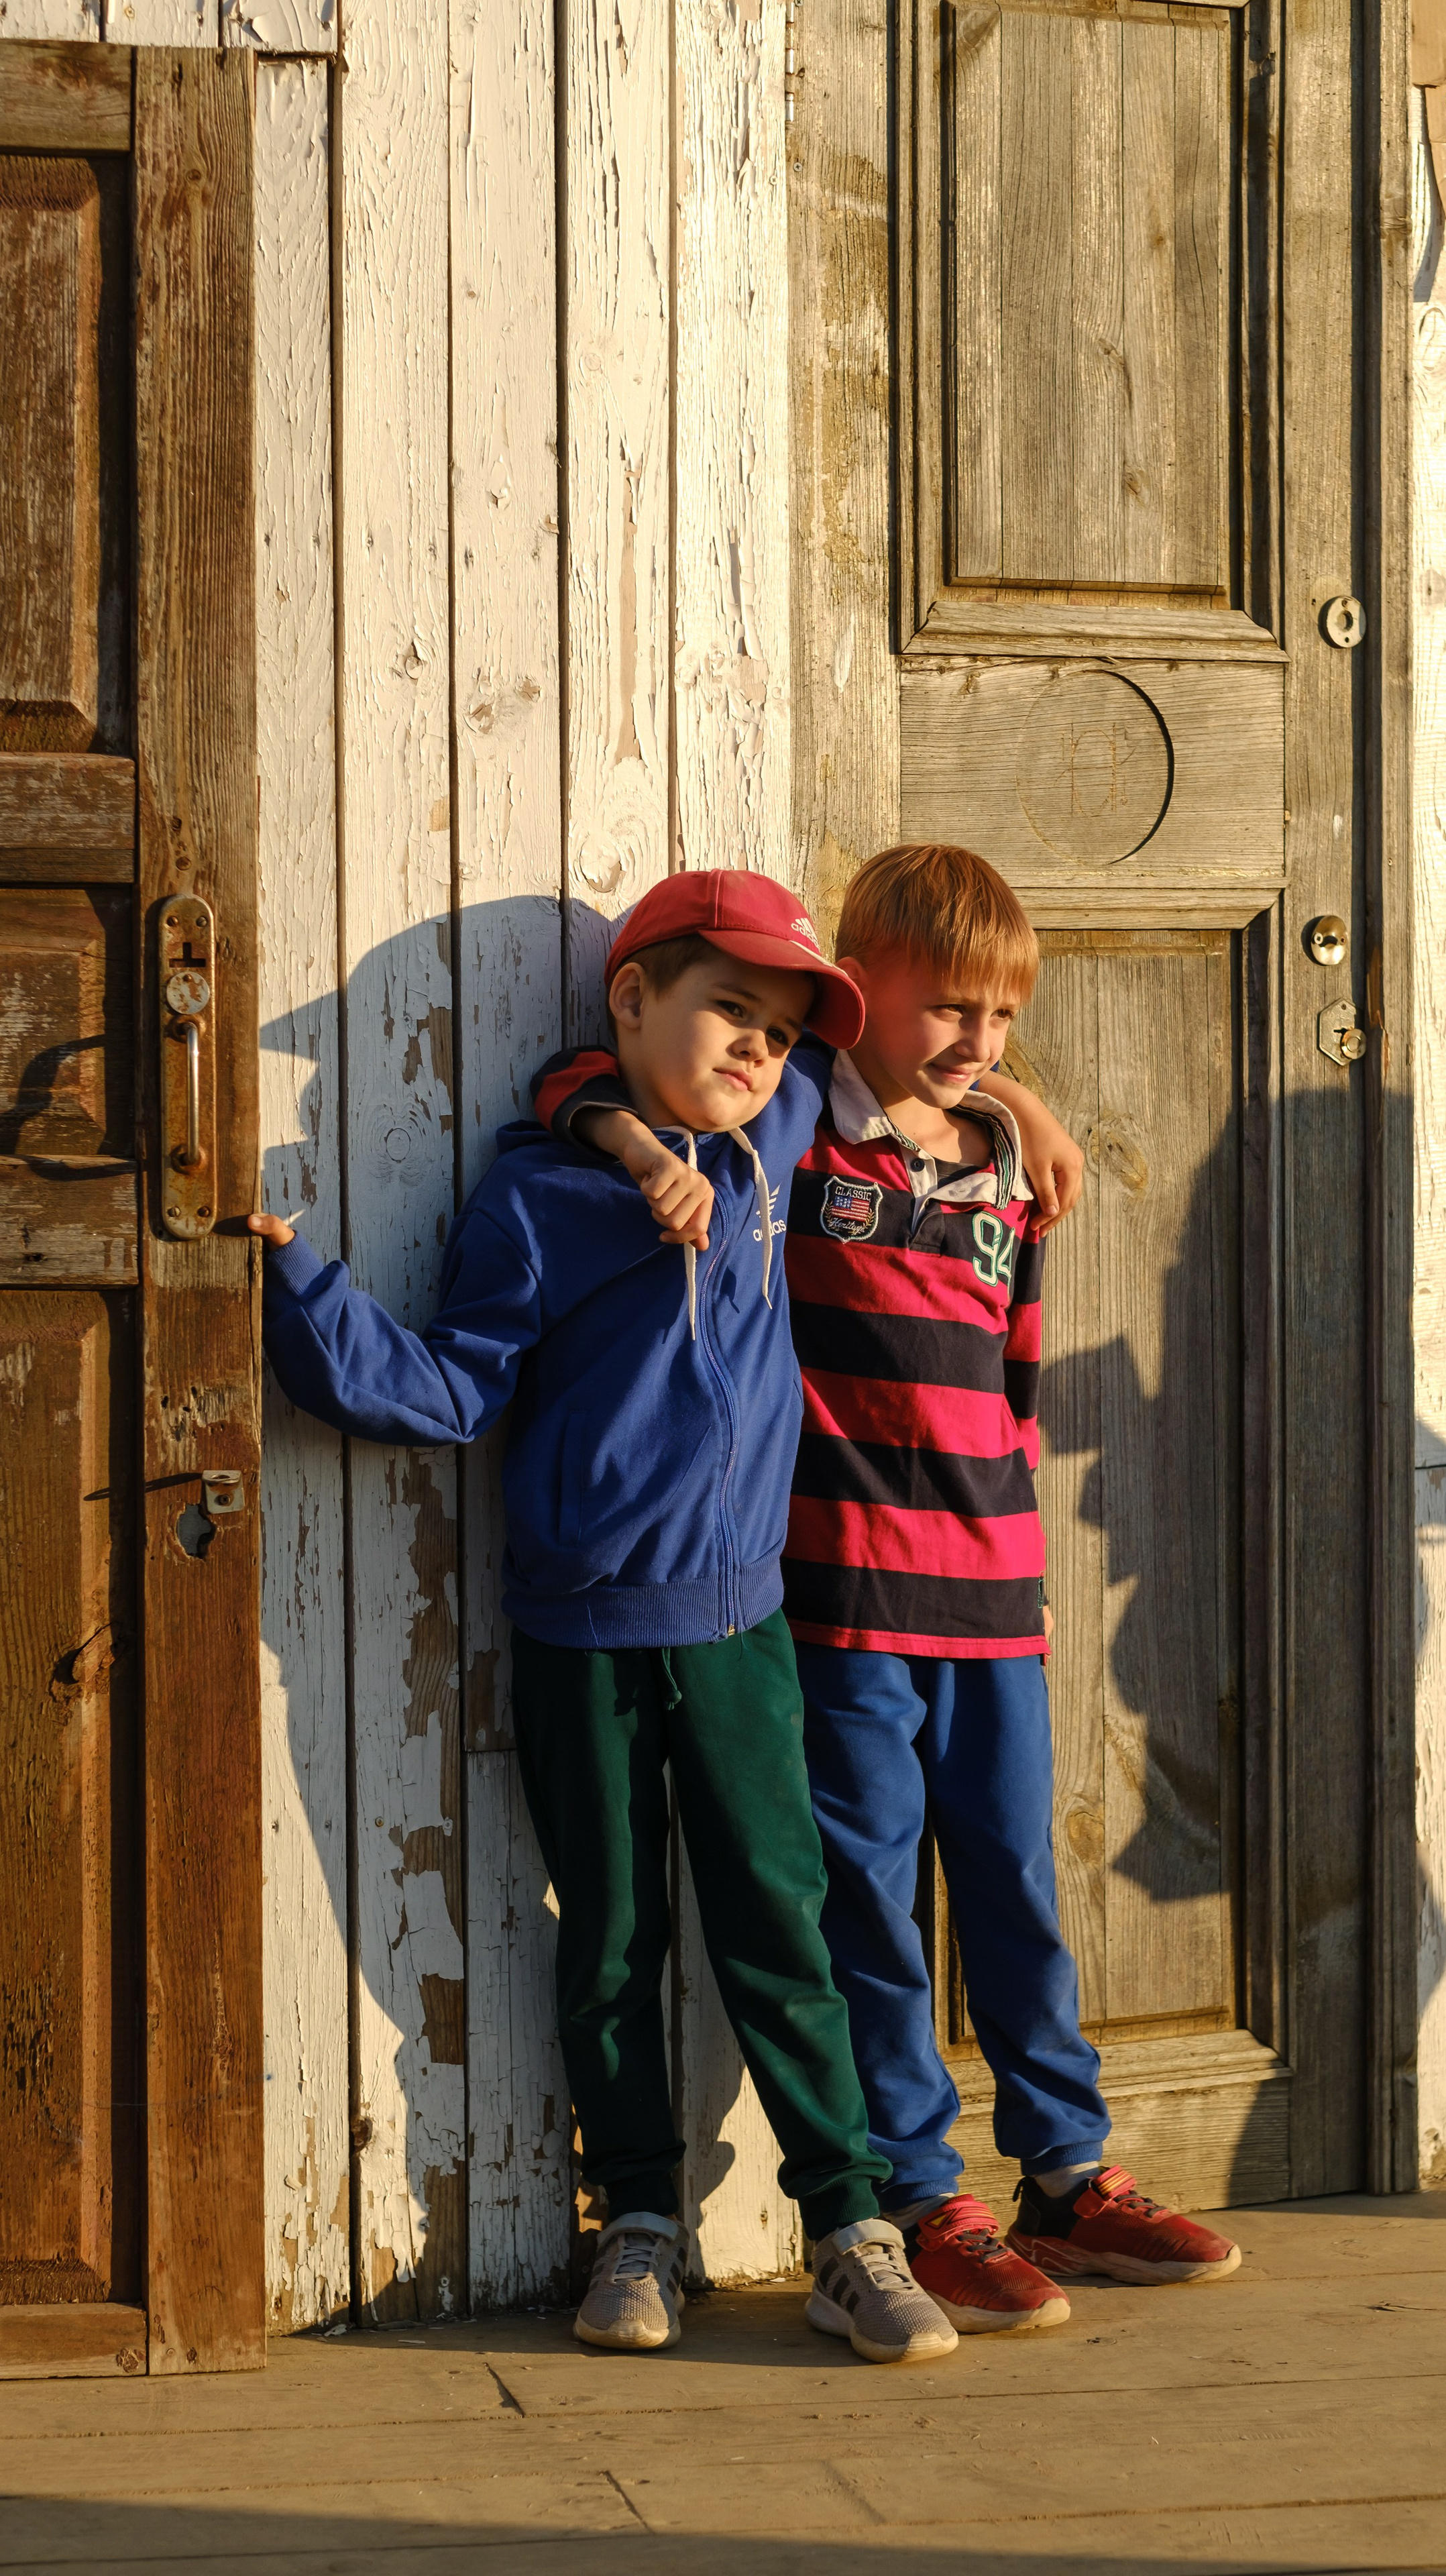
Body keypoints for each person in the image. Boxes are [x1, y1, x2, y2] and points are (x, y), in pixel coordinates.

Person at [252, 869, 1071, 2367]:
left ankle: (849, 2227)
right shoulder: (535, 1202)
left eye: (780, 1031)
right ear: (630, 1000)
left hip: (743, 1631)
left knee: (782, 1926)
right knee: (612, 1941)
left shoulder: (777, 1140)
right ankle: (638, 2219)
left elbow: (908, 1070)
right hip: (578, 1635)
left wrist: (1024, 1105)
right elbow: (451, 1385)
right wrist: (296, 1280)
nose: (760, 1049)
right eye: (728, 1012)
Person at [543, 846, 1241, 2339]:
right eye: (947, 1010)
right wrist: (622, 1139)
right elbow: (584, 1081)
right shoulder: (796, 1129)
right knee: (868, 1905)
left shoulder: (1004, 1171)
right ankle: (924, 2201)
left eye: (1003, 1018)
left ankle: (1066, 2175)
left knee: (1015, 1886)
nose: (977, 1042)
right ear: (858, 999)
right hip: (844, 1606)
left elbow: (1012, 1384)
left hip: (990, 1600)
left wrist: (1020, 1105)